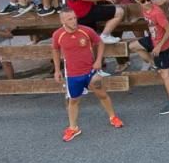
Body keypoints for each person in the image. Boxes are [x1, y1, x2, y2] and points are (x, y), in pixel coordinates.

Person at [51, 8, 124, 142]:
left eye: (74, 18)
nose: (74, 21)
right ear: (62, 21)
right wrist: (57, 70)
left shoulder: (86, 30)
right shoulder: (58, 35)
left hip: (90, 71)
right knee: (73, 101)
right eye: (70, 19)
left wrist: (98, 60)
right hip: (72, 74)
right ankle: (73, 128)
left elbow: (100, 43)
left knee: (102, 94)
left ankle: (113, 117)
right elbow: (55, 50)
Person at [128, 0, 169, 114]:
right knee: (133, 46)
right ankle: (154, 64)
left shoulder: (157, 12)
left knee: (165, 75)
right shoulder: (143, 8)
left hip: (162, 46)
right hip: (153, 40)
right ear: (138, 1)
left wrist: (159, 46)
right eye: (143, 1)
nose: (147, 2)